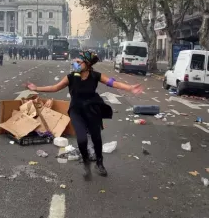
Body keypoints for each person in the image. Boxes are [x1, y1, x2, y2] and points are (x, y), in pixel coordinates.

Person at [26, 51, 143, 179]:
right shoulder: (70, 77)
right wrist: (36, 88)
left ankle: (99, 163)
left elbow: (113, 83)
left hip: (92, 110)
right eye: (75, 62)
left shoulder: (95, 76)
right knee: (82, 139)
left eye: (78, 62)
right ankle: (86, 163)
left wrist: (130, 88)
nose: (75, 64)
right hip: (76, 111)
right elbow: (55, 87)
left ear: (87, 64)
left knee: (96, 138)